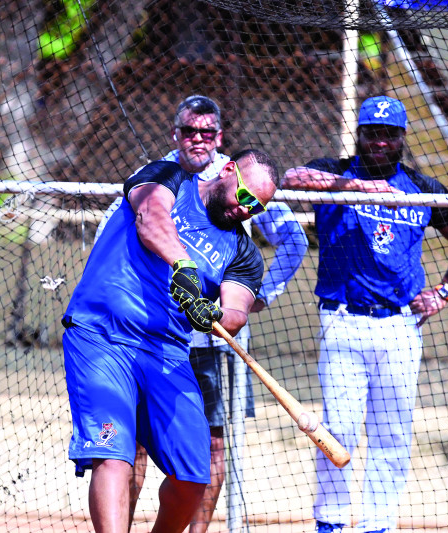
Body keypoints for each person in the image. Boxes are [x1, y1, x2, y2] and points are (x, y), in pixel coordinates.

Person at [95, 94, 308, 532]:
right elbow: (114, 231)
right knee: (129, 447)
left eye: (207, 132)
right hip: (145, 337)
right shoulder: (165, 176)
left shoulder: (245, 178)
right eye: (190, 131)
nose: (198, 139)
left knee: (207, 448)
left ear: (219, 138)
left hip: (210, 346)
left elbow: (294, 240)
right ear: (176, 133)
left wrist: (254, 300)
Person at [282, 95, 448, 533]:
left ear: (402, 138)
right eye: (372, 133)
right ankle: (331, 523)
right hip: (342, 319)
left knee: (392, 435)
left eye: (389, 134)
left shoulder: (422, 188)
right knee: (337, 430)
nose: (379, 142)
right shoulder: (337, 170)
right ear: (360, 135)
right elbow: (291, 177)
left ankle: (378, 525)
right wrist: (355, 188)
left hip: (399, 325)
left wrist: (443, 292)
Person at [62, 147, 280, 533]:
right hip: (103, 336)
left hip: (167, 354)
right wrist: (184, 265)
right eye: (245, 196)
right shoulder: (170, 177)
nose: (246, 209)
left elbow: (236, 311)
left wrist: (214, 315)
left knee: (193, 476)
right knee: (114, 456)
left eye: (257, 208)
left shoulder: (244, 252)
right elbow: (150, 219)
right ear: (229, 170)